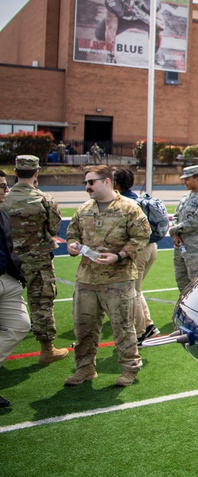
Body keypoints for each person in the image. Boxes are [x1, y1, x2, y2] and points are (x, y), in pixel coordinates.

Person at [64, 165, 151, 387]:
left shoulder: (129, 208)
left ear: (107, 182)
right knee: (84, 328)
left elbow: (142, 236)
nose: (87, 187)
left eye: (91, 182)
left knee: (123, 327)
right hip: (87, 279)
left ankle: (130, 368)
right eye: (85, 183)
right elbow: (72, 233)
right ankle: (85, 369)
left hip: (118, 279)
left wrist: (120, 256)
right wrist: (72, 245)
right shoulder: (84, 209)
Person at [0, 155, 68, 365]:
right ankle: (47, 349)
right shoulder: (45, 200)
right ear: (37, 172)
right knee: (41, 304)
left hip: (9, 262)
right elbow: (55, 229)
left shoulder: (4, 200)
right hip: (38, 260)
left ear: (15, 172)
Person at [113, 169, 159, 343]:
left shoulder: (124, 203)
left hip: (139, 250)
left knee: (132, 291)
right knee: (136, 290)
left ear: (116, 183)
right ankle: (147, 325)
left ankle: (141, 332)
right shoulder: (137, 199)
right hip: (150, 247)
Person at [0, 170, 32, 408]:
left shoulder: (2, 212)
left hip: (7, 279)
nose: (6, 190)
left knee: (20, 325)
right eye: (2, 186)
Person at [94, 0, 165, 64]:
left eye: (136, 1)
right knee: (100, 33)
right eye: (127, 0)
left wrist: (142, 15)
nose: (130, 5)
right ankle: (110, 55)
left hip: (142, 20)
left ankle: (155, 53)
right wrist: (111, 55)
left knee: (156, 30)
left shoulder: (151, 1)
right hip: (122, 20)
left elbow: (161, 26)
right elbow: (110, 29)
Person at [170, 164, 198, 293]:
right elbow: (176, 216)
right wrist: (176, 234)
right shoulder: (185, 198)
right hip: (180, 245)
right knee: (181, 279)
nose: (185, 182)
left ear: (197, 179)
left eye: (187, 179)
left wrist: (176, 229)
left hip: (194, 247)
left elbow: (196, 221)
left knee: (195, 282)